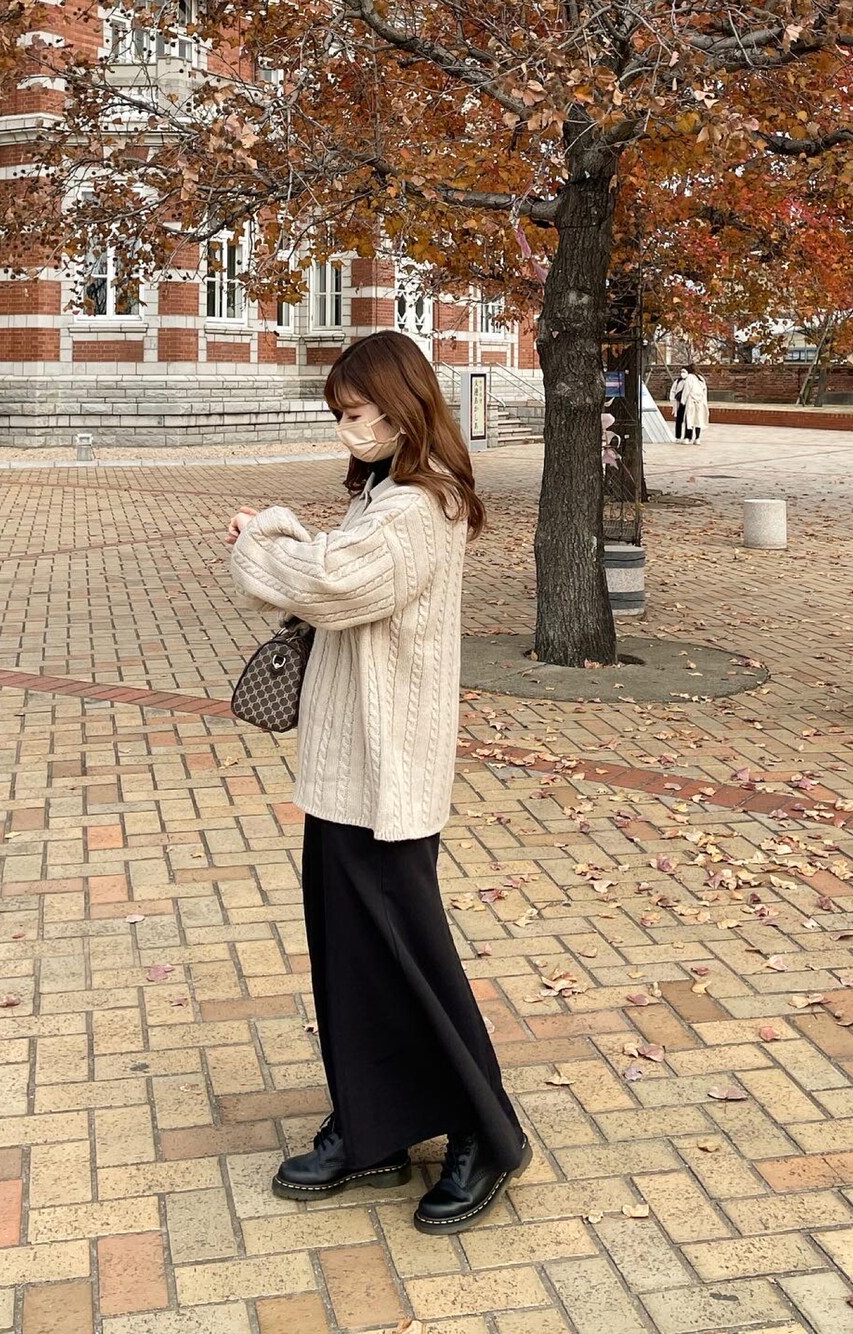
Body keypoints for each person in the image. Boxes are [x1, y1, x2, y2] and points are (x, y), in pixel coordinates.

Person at [226, 329, 529, 1234]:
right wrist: (288, 541)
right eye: (340, 415)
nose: (346, 429)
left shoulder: (419, 508)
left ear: (400, 410)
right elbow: (329, 574)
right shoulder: (386, 495)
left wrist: (266, 534)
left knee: (411, 962)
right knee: (354, 962)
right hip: (348, 769)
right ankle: (373, 1128)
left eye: (355, 412)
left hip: (388, 771)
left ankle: (487, 1134)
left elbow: (330, 585)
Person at [682, 363, 710, 444]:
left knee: (689, 419)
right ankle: (697, 438)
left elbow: (687, 390)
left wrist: (683, 401)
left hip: (691, 400)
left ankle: (687, 438)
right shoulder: (701, 378)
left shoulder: (689, 377)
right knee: (698, 420)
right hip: (700, 401)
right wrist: (704, 402)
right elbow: (704, 391)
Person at [670, 366, 689, 440]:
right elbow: (673, 390)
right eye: (681, 372)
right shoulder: (678, 381)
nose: (682, 373)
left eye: (684, 372)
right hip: (679, 402)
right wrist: (673, 400)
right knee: (679, 420)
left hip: (687, 402)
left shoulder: (689, 381)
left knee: (688, 420)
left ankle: (687, 436)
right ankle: (678, 436)